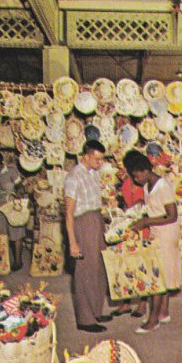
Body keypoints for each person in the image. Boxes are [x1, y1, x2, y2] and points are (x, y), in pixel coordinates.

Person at [123, 150, 181, 334]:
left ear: (146, 170)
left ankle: (153, 319)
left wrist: (147, 221)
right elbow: (154, 207)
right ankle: (163, 312)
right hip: (158, 233)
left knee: (157, 279)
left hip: (166, 233)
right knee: (163, 275)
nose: (136, 179)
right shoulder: (149, 185)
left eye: (137, 174)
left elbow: (172, 216)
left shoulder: (163, 186)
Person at [64, 140, 113, 333]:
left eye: (102, 159)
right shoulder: (73, 177)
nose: (100, 162)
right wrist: (72, 243)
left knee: (99, 267)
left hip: (96, 220)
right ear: (86, 155)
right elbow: (68, 213)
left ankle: (96, 311)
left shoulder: (94, 173)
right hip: (82, 223)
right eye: (97, 158)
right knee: (85, 270)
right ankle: (85, 319)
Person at [111, 170, 148, 319]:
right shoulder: (126, 183)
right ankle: (126, 302)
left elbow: (145, 203)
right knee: (125, 264)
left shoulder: (145, 184)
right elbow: (126, 202)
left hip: (141, 226)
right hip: (127, 225)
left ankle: (143, 303)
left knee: (141, 266)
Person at [0, 151, 26, 271]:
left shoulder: (11, 172)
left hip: (12, 205)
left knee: (16, 233)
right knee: (3, 234)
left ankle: (18, 261)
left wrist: (18, 193)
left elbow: (20, 186)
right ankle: (5, 262)